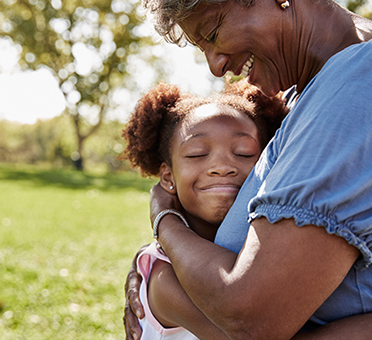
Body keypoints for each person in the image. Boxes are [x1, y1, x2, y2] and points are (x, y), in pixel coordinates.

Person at [124, 0, 372, 339]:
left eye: (213, 33)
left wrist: (164, 222)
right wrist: (157, 262)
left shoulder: (364, 80)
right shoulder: (301, 95)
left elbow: (252, 319)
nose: (215, 66)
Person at [122, 80, 287, 339]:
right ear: (167, 177)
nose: (222, 166)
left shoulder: (266, 243)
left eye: (244, 153)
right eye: (197, 154)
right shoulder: (164, 276)